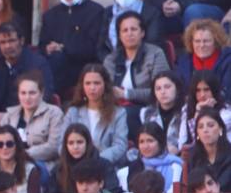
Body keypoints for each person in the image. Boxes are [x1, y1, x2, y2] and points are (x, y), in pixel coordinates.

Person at [103, 9, 171, 138]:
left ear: (142, 33)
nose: (129, 34)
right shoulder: (111, 59)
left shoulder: (155, 54)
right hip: (114, 107)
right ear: (119, 35)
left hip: (147, 108)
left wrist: (126, 94)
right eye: (125, 30)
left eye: (133, 29)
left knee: (124, 114)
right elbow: (105, 90)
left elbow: (162, 91)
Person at [39, 0, 105, 96]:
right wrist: (47, 49)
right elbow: (42, 44)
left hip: (82, 67)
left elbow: (93, 46)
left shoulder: (95, 11)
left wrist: (63, 47)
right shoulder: (50, 15)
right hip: (56, 68)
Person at [0, 22, 53, 126]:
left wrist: (13, 116)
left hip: (28, 117)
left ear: (21, 41)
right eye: (3, 42)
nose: (8, 46)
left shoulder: (38, 64)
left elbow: (45, 95)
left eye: (11, 41)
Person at [62, 63, 128, 168]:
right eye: (87, 83)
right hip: (75, 166)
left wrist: (95, 160)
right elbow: (61, 143)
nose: (92, 88)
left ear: (105, 85)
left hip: (105, 166)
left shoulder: (119, 113)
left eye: (96, 83)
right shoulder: (73, 112)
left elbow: (120, 146)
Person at [0, 72, 64, 169]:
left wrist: (21, 155)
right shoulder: (9, 115)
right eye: (23, 93)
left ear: (41, 93)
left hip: (39, 163)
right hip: (10, 161)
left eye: (32, 93)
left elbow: (54, 147)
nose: (27, 98)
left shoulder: (54, 113)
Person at [173, 18, 231, 101]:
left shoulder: (228, 61)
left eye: (206, 41)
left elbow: (227, 93)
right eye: (197, 41)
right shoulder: (183, 63)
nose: (201, 45)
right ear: (191, 42)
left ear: (216, 42)